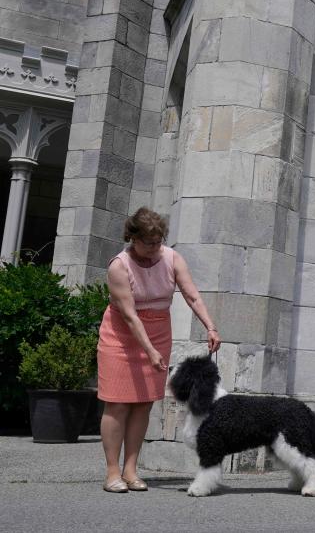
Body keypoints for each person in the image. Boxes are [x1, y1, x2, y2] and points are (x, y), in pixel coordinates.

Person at [97, 207, 221, 493]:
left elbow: (191, 294)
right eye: (149, 242)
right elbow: (129, 316)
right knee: (117, 402)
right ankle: (112, 472)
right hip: (122, 335)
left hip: (158, 330)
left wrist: (210, 326)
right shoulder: (119, 266)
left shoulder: (171, 257)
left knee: (143, 402)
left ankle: (131, 469)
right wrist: (150, 351)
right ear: (133, 238)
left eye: (159, 241)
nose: (155, 247)